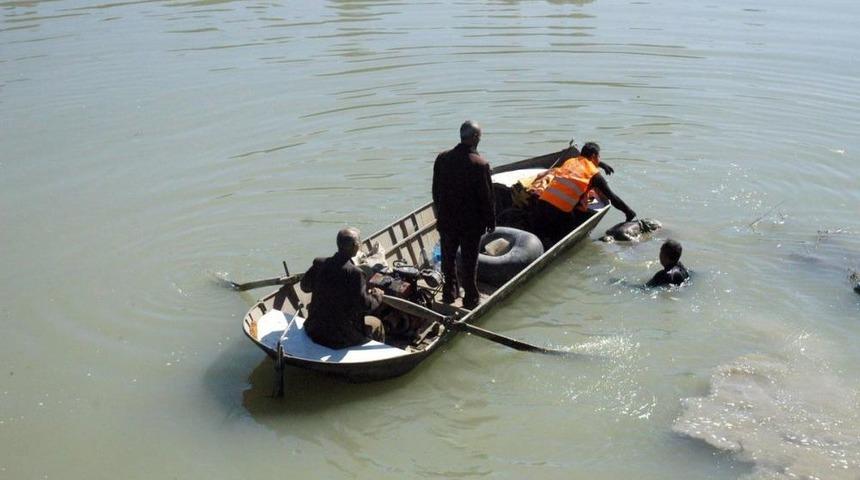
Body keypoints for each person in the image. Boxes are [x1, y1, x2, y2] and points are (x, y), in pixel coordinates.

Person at [432, 120, 495, 309]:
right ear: (475, 138)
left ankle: (449, 293)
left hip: (446, 220)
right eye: (480, 136)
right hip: (470, 225)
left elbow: (435, 191)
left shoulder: (442, 158)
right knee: (469, 262)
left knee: (448, 258)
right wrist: (490, 222)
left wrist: (441, 213)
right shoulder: (480, 164)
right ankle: (471, 298)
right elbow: (487, 198)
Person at [528, 142, 636, 248]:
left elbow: (584, 162)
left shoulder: (570, 161)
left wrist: (601, 164)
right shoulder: (594, 175)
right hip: (559, 214)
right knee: (568, 226)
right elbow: (612, 197)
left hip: (541, 205)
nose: (599, 159)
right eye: (599, 157)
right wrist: (628, 212)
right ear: (594, 156)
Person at [299, 227, 386, 349]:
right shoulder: (355, 274)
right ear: (355, 246)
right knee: (377, 323)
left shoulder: (319, 263)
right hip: (340, 338)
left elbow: (304, 287)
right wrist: (377, 295)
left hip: (314, 329)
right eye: (359, 243)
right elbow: (365, 306)